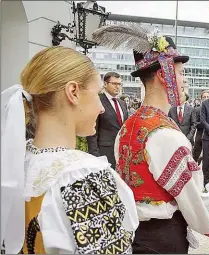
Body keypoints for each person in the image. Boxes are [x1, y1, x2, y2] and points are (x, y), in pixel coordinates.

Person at [92, 24, 209, 254]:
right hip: (163, 239)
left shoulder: (128, 126)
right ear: (164, 76)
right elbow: (193, 207)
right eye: (181, 73)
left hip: (134, 233)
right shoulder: (165, 134)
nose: (184, 80)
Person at [1, 46, 138, 254]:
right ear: (73, 92)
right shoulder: (84, 177)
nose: (101, 108)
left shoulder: (17, 165)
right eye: (97, 93)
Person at [86, 72, 129, 168]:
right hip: (104, 152)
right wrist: (95, 156)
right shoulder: (98, 102)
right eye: (114, 84)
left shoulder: (122, 103)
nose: (117, 87)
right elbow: (92, 132)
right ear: (105, 84)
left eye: (119, 84)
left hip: (121, 152)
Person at [193, 90, 209, 164]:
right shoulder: (197, 110)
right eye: (204, 97)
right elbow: (195, 123)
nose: (206, 98)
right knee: (195, 154)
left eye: (207, 97)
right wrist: (205, 123)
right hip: (200, 135)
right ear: (201, 99)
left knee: (208, 157)